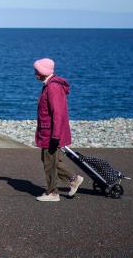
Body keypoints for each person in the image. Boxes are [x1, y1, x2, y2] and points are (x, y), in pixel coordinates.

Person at [33, 58, 83, 202]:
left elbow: (58, 113)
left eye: (36, 71)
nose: (35, 73)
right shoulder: (49, 85)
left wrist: (55, 135)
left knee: (49, 162)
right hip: (48, 131)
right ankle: (73, 179)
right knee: (51, 159)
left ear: (43, 72)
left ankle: (52, 193)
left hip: (51, 133)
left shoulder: (53, 87)